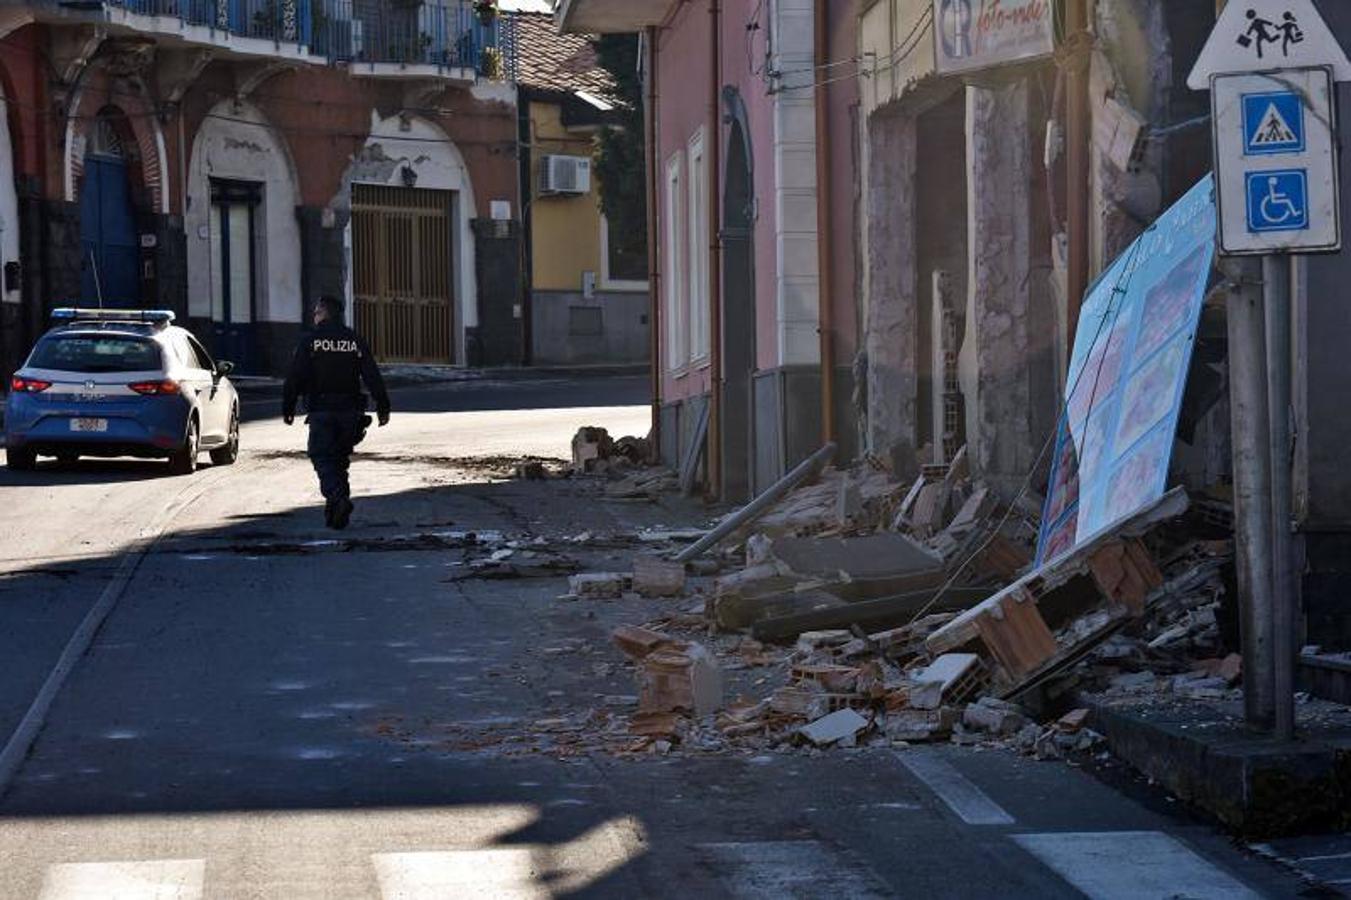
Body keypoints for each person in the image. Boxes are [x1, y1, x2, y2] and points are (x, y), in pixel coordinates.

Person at [282, 295, 390, 529]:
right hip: (350, 411)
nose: (314, 316)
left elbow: (295, 375)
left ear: (325, 313)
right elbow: (371, 374)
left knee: (322, 456)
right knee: (339, 459)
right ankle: (337, 510)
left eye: (317, 311)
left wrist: (288, 405)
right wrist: (382, 404)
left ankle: (337, 498)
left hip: (322, 409)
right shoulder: (354, 340)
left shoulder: (311, 341)